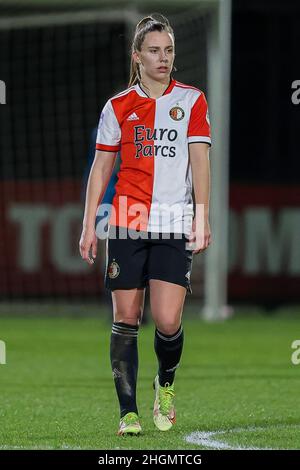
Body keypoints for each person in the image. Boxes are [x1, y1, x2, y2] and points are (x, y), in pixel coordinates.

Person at [79, 13, 211, 436]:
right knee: (128, 317)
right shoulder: (118, 106)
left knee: (169, 320)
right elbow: (102, 168)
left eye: (168, 50)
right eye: (154, 50)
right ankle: (128, 413)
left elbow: (200, 161)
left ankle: (165, 386)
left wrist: (202, 216)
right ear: (137, 56)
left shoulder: (192, 100)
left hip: (174, 223)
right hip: (128, 221)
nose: (163, 58)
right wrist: (88, 225)